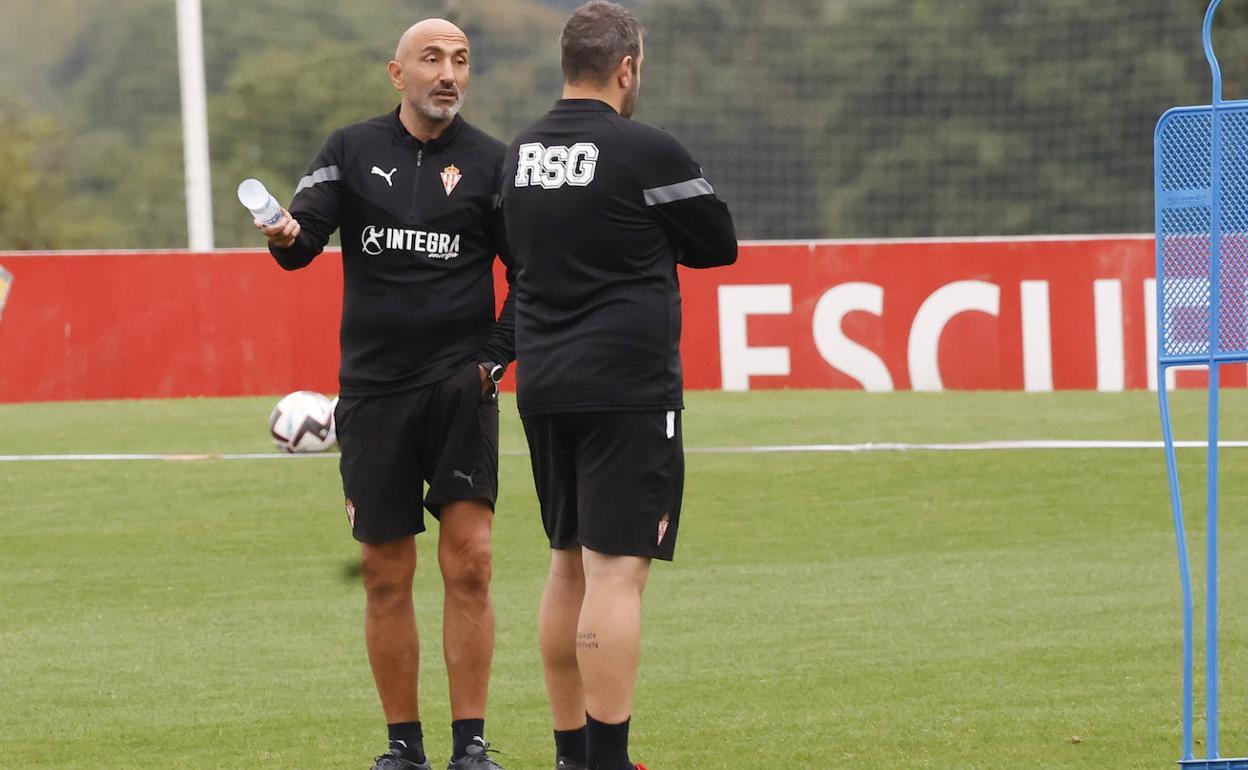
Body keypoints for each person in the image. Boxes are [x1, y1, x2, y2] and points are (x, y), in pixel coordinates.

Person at [255, 18, 512, 770]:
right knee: (383, 571)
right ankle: (404, 748)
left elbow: (532, 278)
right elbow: (303, 245)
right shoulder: (349, 150)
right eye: (431, 59)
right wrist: (283, 234)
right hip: (373, 393)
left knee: (472, 563)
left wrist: (493, 361)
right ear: (396, 74)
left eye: (461, 61)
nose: (448, 74)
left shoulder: (495, 164)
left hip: (459, 391)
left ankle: (472, 747)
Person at [500, 3, 738, 769]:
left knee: (566, 560)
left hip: (544, 383)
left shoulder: (519, 154)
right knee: (616, 572)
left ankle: (572, 755)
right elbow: (718, 245)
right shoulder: (645, 150)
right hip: (627, 388)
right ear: (627, 67)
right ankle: (608, 760)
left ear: (566, 62)